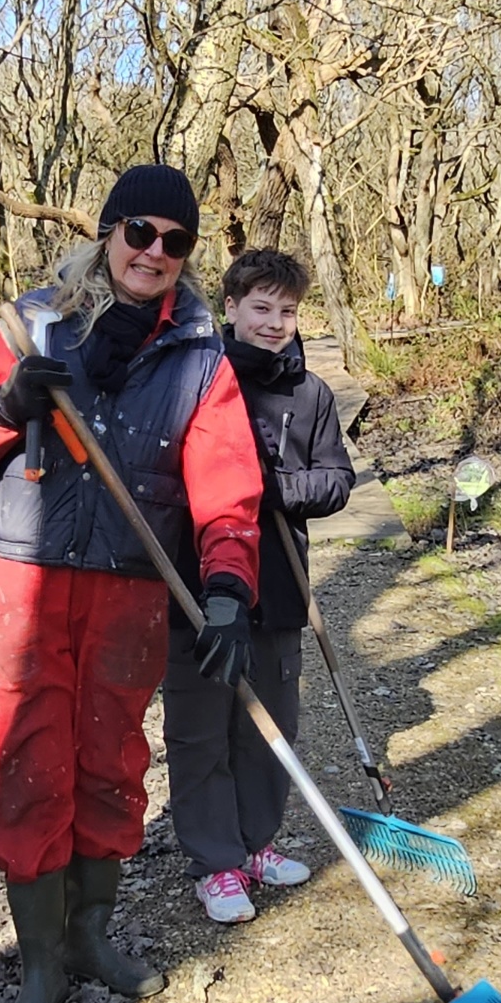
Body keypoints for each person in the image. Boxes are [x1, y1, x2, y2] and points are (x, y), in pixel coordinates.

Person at [0, 165, 266, 1003]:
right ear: (110, 231)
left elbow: (228, 487)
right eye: (139, 232)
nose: (153, 252)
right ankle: (40, 963)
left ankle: (90, 939)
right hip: (26, 579)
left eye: (175, 241)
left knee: (112, 759)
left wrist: (228, 586)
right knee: (27, 757)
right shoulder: (34, 322)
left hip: (129, 585)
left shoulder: (200, 354)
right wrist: (8, 403)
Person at [160, 249, 354, 924]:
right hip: (199, 590)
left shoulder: (312, 395)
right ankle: (214, 860)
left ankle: (256, 843)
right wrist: (227, 484)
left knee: (272, 725)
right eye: (261, 308)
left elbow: (336, 480)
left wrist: (271, 486)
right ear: (232, 308)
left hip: (278, 585)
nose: (275, 323)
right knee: (200, 728)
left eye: (288, 311)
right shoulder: (195, 380)